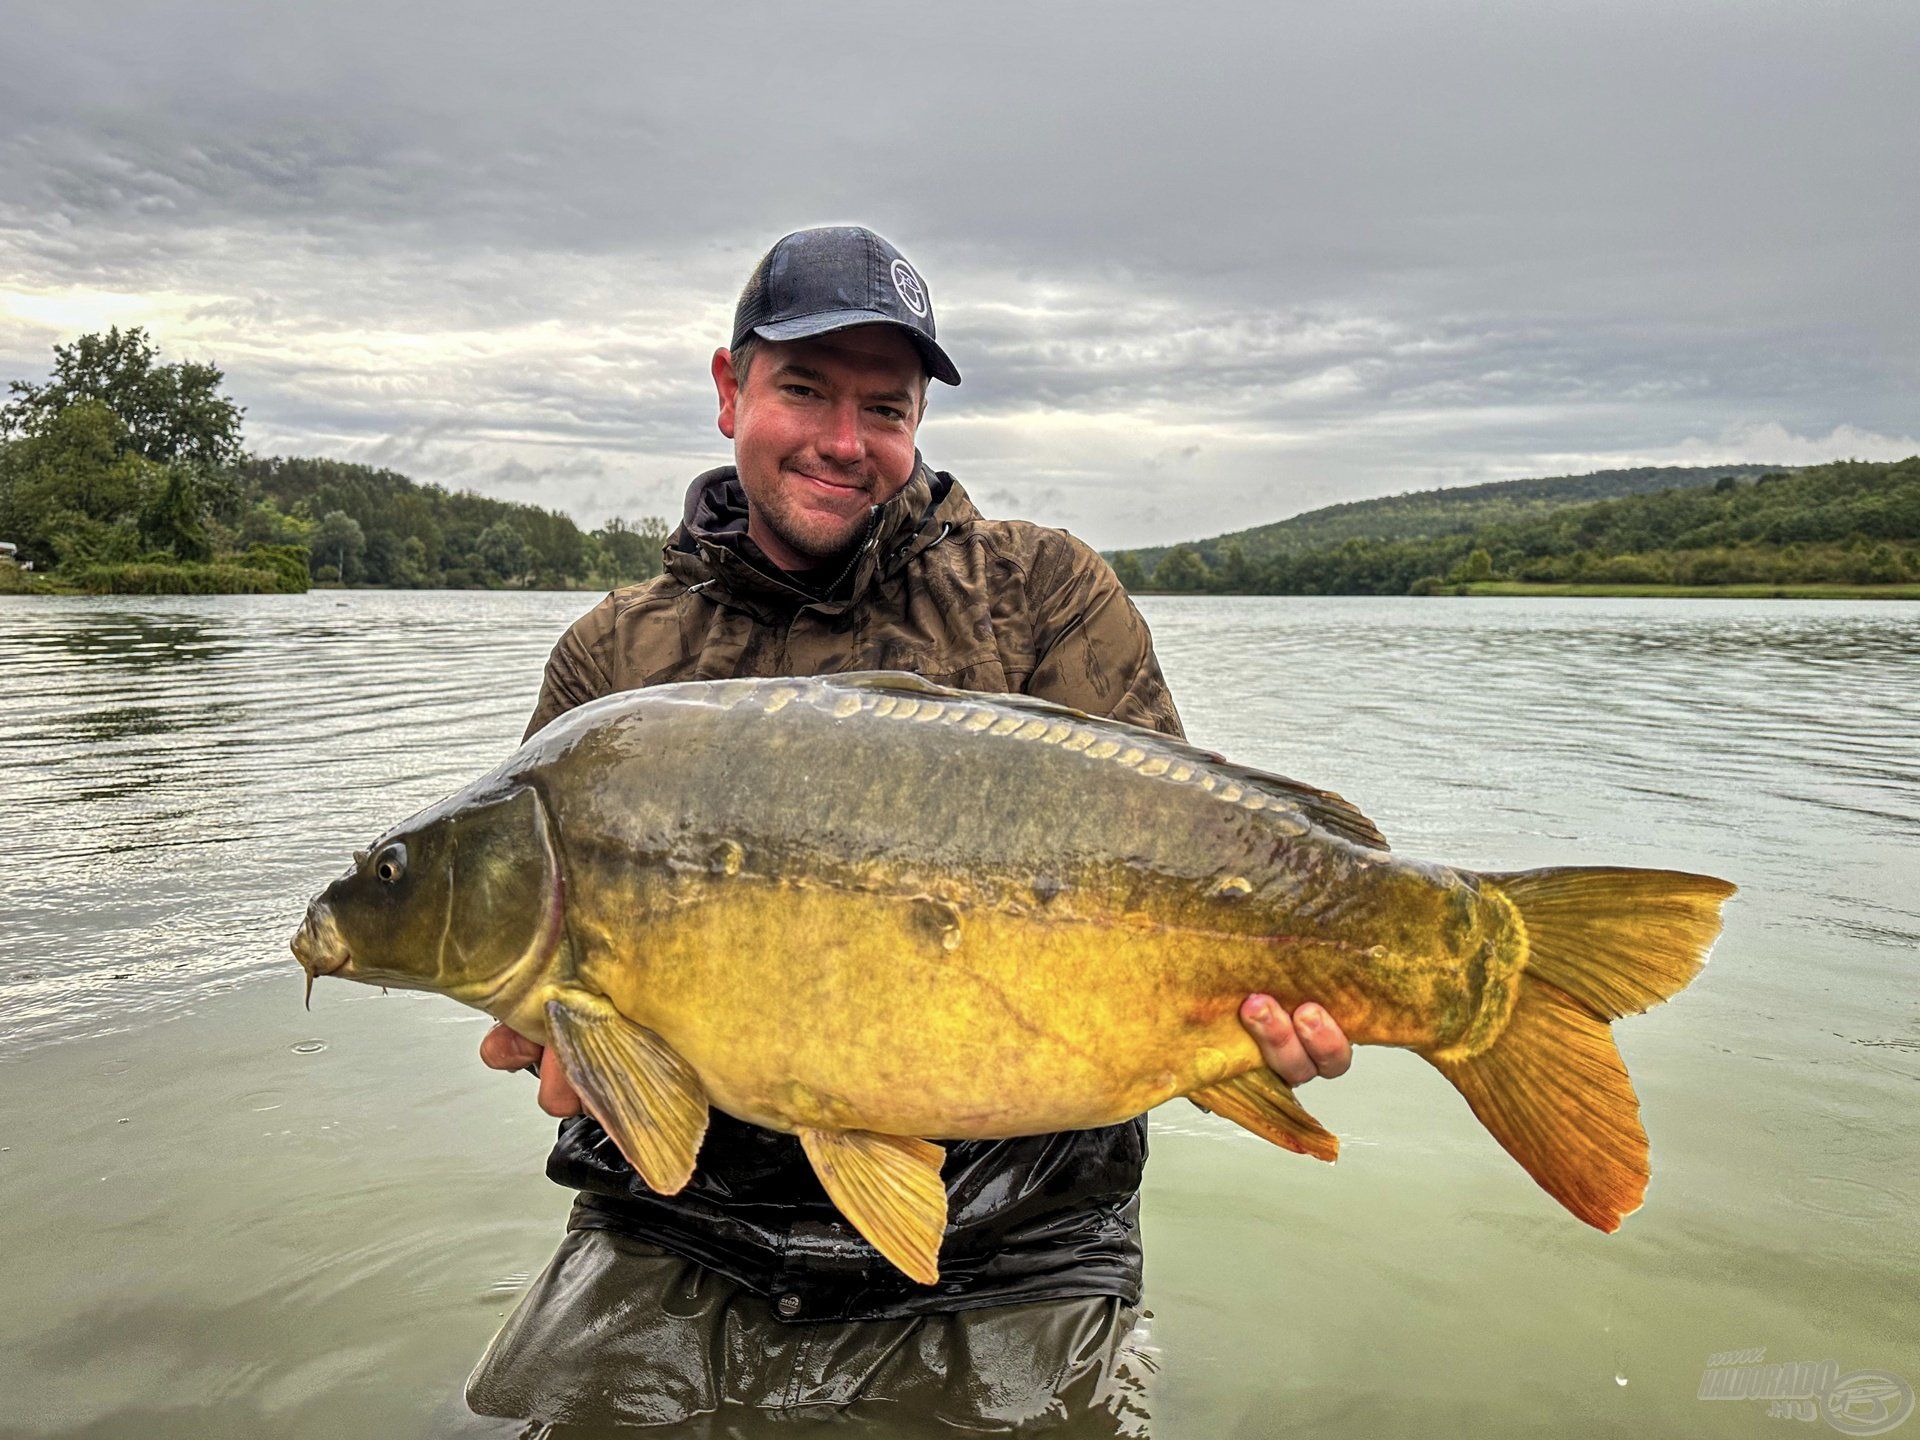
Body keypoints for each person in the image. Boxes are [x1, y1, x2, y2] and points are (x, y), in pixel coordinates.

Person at [466, 227, 1352, 1435]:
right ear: (730, 391)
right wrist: (569, 1050)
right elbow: (563, 1022)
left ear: (921, 417)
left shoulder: (1040, 594)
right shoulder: (617, 662)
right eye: (805, 390)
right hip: (681, 1225)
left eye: (883, 406)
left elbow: (1191, 870)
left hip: (1018, 1231)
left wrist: (1278, 1001)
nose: (845, 440)